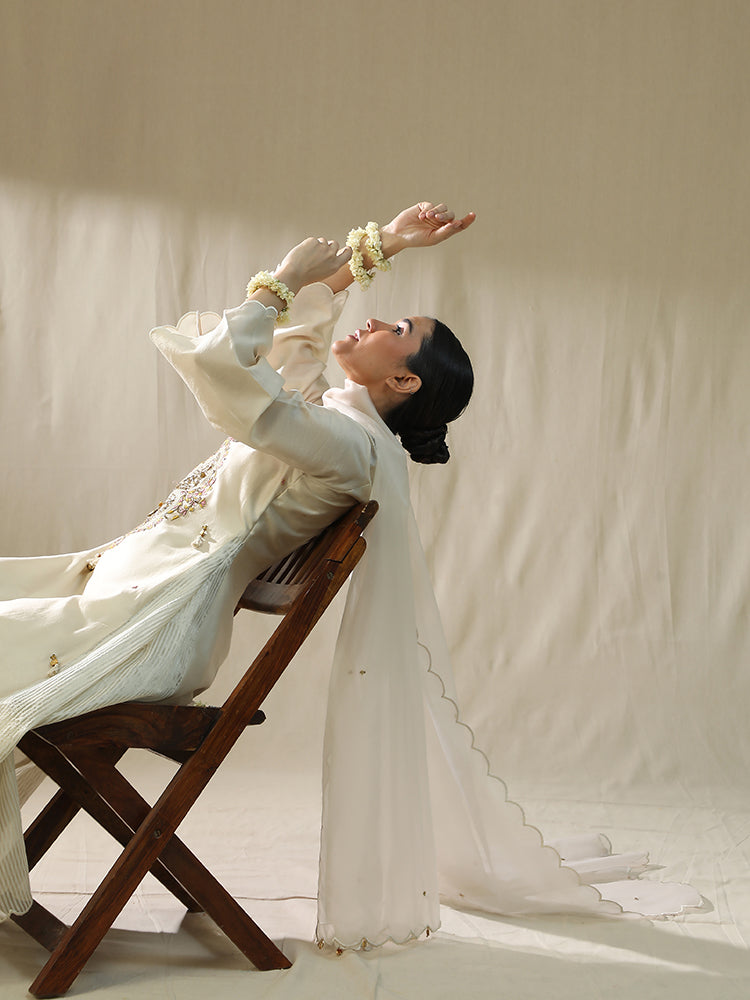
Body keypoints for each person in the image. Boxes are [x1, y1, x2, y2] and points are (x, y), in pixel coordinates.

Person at [0, 202, 699, 949]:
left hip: (150, 626)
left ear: (402, 379)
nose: (373, 322)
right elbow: (293, 349)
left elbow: (232, 379)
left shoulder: (347, 447)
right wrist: (386, 244)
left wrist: (277, 283)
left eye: (396, 329)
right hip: (120, 596)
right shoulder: (331, 421)